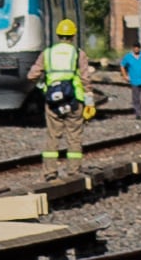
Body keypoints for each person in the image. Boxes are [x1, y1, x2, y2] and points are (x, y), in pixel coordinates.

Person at [27, 19, 95, 181]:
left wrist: (43, 86)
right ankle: (73, 171)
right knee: (74, 136)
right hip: (74, 100)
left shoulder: (48, 53)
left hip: (53, 101)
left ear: (58, 35)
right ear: (73, 35)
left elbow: (32, 76)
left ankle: (49, 172)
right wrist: (90, 102)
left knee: (53, 136)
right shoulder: (78, 54)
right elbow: (85, 79)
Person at [120, 41, 141, 119]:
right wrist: (125, 76)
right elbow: (122, 65)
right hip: (134, 80)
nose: (136, 49)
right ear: (132, 48)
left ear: (139, 48)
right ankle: (138, 113)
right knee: (136, 98)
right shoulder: (128, 57)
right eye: (135, 47)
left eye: (137, 47)